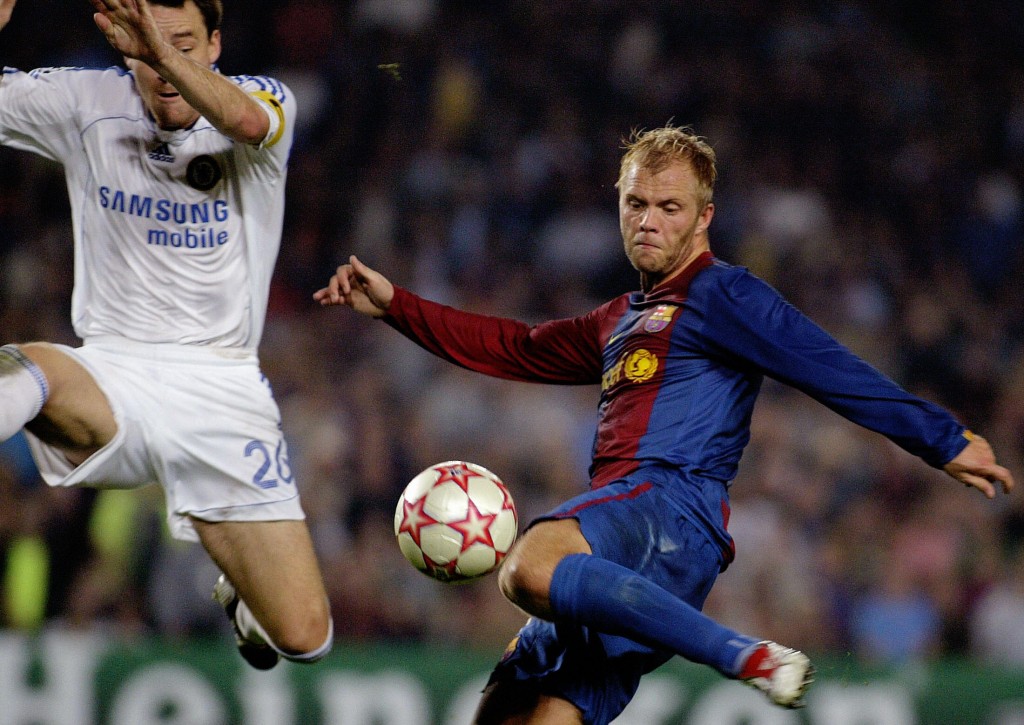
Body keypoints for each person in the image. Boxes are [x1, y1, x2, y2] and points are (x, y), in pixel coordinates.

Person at [315, 124, 1015, 723]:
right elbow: (514, 347)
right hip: (628, 559)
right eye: (636, 203)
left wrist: (943, 440)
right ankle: (724, 648)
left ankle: (738, 652)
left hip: (668, 512)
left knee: (527, 564)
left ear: (703, 216)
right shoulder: (620, 317)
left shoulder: (723, 293)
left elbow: (826, 364)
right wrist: (396, 305)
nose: (648, 219)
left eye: (669, 207)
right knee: (504, 709)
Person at [0, 0, 331, 669]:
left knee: (305, 638)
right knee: (29, 371)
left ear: (215, 45)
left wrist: (158, 48)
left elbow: (242, 119)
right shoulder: (83, 100)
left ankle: (243, 594)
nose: (164, 63)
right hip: (111, 373)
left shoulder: (267, 101)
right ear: (123, 46)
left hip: (222, 391)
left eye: (182, 43)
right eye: (148, 44)